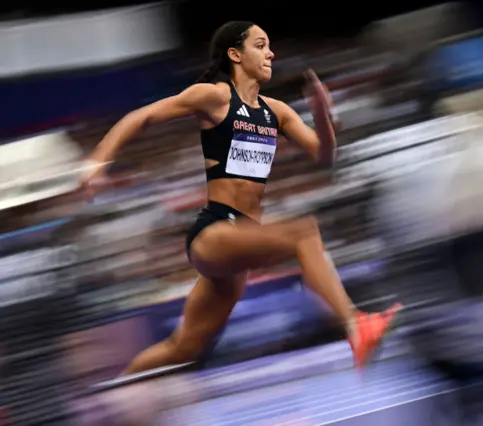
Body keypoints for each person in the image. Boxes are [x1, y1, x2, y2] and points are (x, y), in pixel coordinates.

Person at [81, 21, 400, 376]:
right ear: (235, 54)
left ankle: (119, 387)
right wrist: (98, 158)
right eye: (261, 45)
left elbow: (323, 156)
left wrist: (323, 117)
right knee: (303, 231)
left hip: (240, 247)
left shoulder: (277, 112)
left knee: (184, 347)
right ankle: (356, 325)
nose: (271, 53)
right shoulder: (215, 97)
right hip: (214, 232)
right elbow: (142, 116)